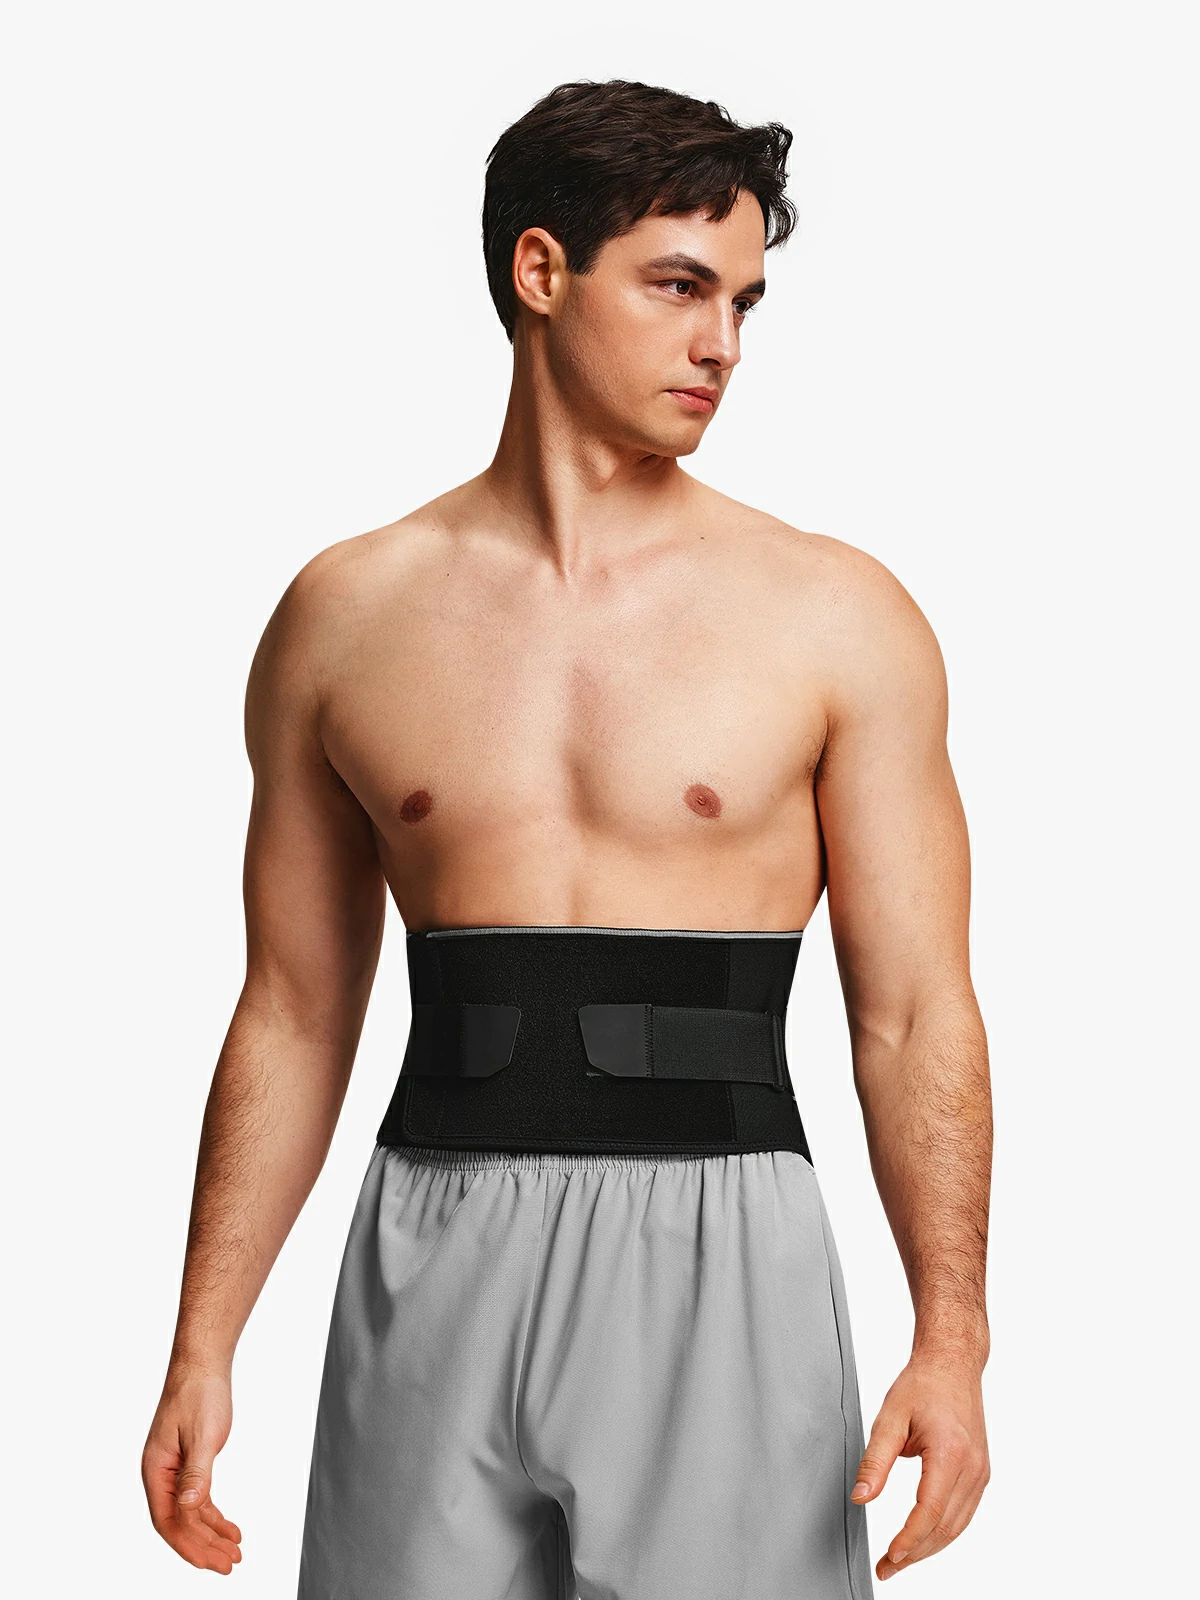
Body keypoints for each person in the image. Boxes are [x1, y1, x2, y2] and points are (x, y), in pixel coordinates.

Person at [141, 78, 992, 1597]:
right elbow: (295, 1006)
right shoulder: (346, 614)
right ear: (542, 272)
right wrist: (203, 1340)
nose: (722, 344)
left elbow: (916, 1008)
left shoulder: (833, 614)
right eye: (678, 286)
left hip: (718, 1252)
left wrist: (954, 1335)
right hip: (432, 1238)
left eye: (743, 302)